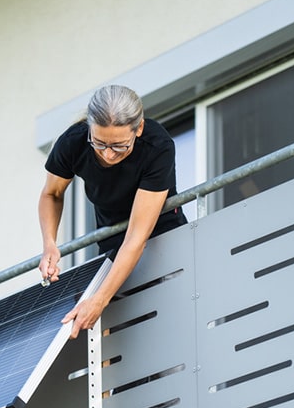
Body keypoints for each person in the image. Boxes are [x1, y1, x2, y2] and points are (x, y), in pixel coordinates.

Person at [38, 84, 185, 338]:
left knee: (169, 333)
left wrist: (100, 299)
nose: (107, 154)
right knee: (119, 341)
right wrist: (49, 243)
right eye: (99, 143)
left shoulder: (157, 146)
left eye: (119, 146)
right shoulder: (74, 142)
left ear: (138, 129)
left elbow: (137, 237)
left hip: (163, 241)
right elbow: (52, 194)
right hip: (113, 247)